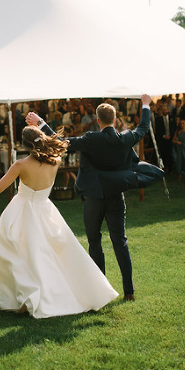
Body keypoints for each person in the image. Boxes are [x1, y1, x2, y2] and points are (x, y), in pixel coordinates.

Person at [27, 94, 163, 301]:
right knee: (120, 241)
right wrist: (145, 105)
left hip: (93, 197)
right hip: (115, 196)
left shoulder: (91, 139)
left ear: (98, 120)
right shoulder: (125, 138)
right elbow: (144, 128)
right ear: (115, 119)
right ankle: (129, 292)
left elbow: (61, 142)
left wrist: (41, 123)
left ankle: (101, 290)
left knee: (94, 241)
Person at [0, 125, 118, 318]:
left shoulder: (20, 165)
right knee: (47, 254)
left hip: (22, 211)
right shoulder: (56, 161)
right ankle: (41, 293)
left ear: (24, 144)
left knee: (18, 253)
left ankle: (21, 296)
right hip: (45, 210)